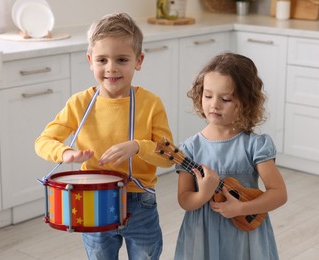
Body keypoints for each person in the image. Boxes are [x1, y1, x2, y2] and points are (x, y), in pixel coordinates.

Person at [35, 13, 174, 260]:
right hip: (93, 201)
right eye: (102, 59)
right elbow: (43, 142)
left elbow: (169, 158)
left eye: (122, 59)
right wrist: (66, 153)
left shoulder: (150, 103)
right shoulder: (79, 103)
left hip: (139, 200)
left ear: (138, 61)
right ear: (90, 60)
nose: (111, 68)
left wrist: (138, 147)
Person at [174, 53, 288, 260]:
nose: (214, 105)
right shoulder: (190, 149)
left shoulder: (255, 145)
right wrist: (203, 194)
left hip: (244, 236)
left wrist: (241, 208)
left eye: (225, 99)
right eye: (208, 96)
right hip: (202, 236)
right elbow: (184, 200)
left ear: (246, 103)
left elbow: (279, 193)